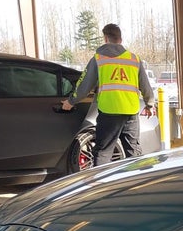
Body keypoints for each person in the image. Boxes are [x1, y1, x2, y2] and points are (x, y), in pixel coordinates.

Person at [62, 23, 156, 165]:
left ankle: (102, 184)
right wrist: (150, 104)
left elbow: (84, 85)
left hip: (109, 112)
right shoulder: (134, 59)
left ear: (106, 39)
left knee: (103, 152)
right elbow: (145, 86)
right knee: (133, 152)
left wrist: (70, 102)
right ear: (121, 39)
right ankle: (134, 184)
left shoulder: (99, 59)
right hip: (131, 112)